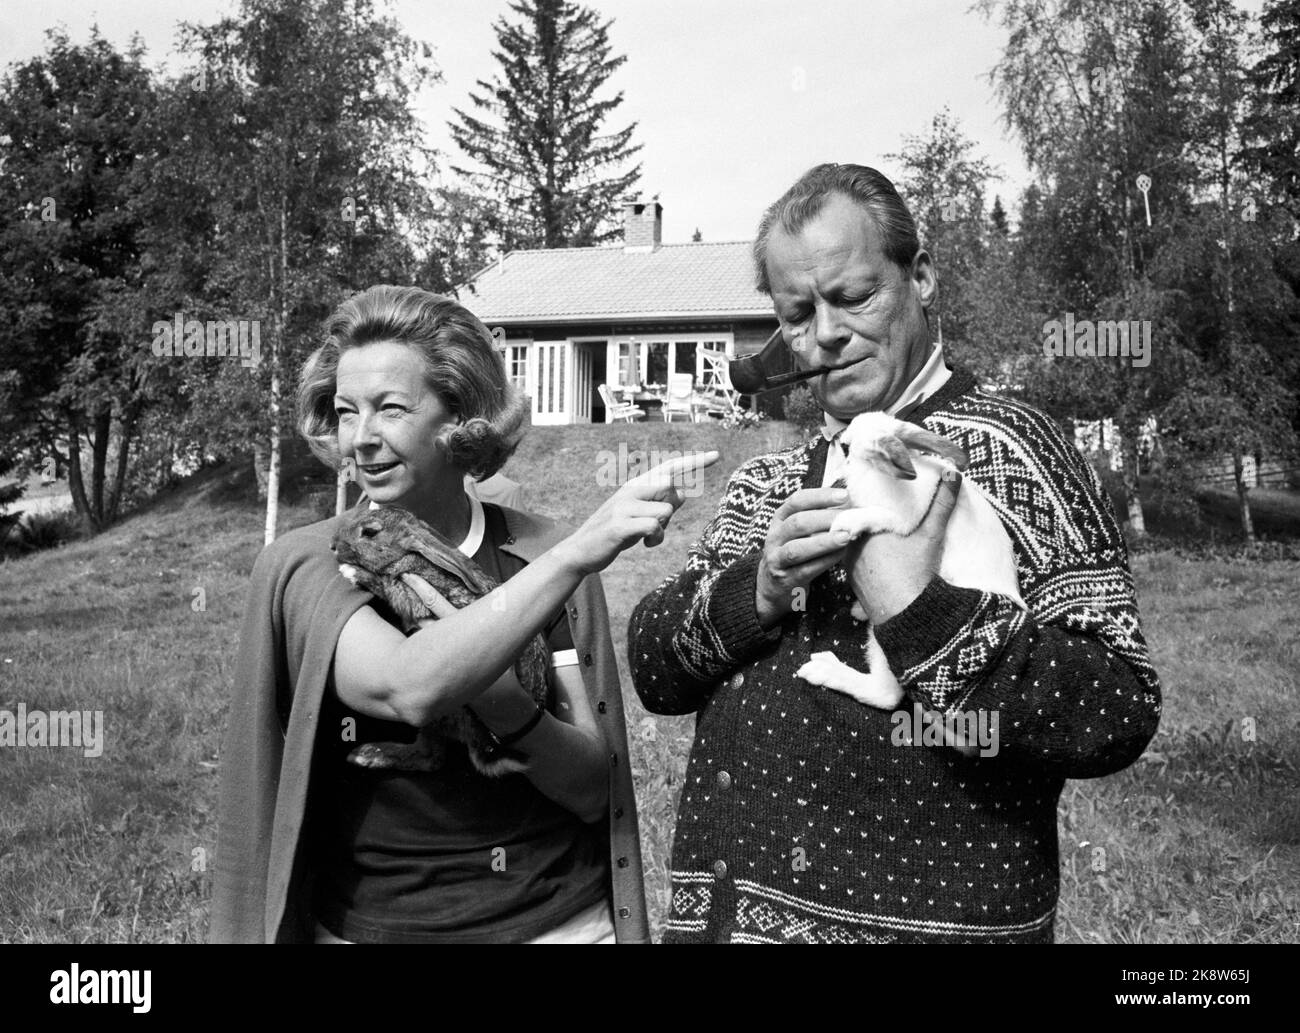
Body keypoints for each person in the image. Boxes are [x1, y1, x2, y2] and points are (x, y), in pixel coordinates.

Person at [627, 164, 1162, 944]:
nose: (826, 333)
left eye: (853, 297)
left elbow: (1118, 709)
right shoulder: (771, 480)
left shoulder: (1013, 452)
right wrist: (762, 587)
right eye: (796, 313)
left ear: (922, 275)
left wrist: (922, 613)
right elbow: (653, 667)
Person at [211, 284, 713, 943]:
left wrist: (511, 711)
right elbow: (409, 686)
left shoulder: (531, 551)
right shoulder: (316, 560)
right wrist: (577, 554)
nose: (362, 439)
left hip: (562, 925)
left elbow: (594, 788)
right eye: (344, 412)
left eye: (390, 409)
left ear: (459, 420)